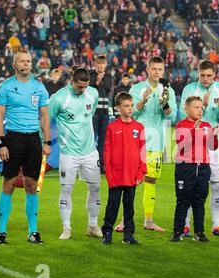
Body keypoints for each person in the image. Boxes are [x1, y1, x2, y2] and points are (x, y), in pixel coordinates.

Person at [0, 49, 51, 244]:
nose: (26, 64)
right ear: (14, 65)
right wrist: (2, 143)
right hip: (13, 139)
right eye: (22, 61)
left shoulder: (39, 87)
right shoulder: (6, 87)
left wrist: (47, 141)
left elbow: (44, 116)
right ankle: (1, 232)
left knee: (31, 185)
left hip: (33, 139)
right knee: (8, 183)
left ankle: (33, 232)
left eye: (28, 61)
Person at [115, 56, 177, 233]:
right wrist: (142, 100)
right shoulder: (136, 88)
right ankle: (125, 220)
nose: (157, 72)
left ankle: (149, 221)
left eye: (160, 69)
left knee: (150, 181)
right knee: (129, 182)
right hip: (136, 141)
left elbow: (172, 116)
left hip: (156, 142)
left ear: (163, 71)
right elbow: (129, 113)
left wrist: (164, 104)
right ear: (147, 70)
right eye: (154, 69)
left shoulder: (167, 91)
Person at [48, 66, 103, 240]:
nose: (83, 89)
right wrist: (45, 142)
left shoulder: (92, 94)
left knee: (95, 187)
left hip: (89, 151)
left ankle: (93, 226)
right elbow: (45, 120)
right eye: (80, 86)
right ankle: (66, 228)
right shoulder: (58, 98)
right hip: (69, 153)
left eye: (85, 86)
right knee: (67, 188)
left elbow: (89, 114)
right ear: (71, 81)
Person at [179, 60, 219, 238]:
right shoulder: (189, 89)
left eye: (209, 75)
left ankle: (216, 225)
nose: (206, 79)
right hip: (193, 144)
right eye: (202, 75)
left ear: (215, 75)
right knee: (189, 187)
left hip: (215, 143)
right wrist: (205, 105)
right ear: (198, 73)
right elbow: (181, 115)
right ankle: (185, 226)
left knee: (217, 185)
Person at [170, 96, 219, 242]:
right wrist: (194, 130)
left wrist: (214, 136)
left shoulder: (206, 124)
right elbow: (182, 145)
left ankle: (199, 233)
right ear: (187, 109)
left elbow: (212, 147)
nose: (200, 110)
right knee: (183, 201)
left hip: (203, 167)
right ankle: (177, 232)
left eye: (201, 107)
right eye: (196, 107)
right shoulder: (181, 125)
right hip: (186, 167)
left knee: (199, 201)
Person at [101, 92, 147, 245]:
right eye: (126, 106)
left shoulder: (139, 127)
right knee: (112, 207)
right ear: (118, 108)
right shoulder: (112, 127)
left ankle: (128, 235)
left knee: (130, 208)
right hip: (116, 175)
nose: (130, 108)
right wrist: (109, 175)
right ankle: (107, 232)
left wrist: (141, 172)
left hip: (132, 175)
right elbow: (107, 152)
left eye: (131, 105)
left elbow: (143, 151)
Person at [90, 54, 114, 174]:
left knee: (103, 141)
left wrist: (101, 81)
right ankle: (91, 165)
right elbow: (90, 89)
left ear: (105, 65)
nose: (101, 66)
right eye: (99, 63)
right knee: (91, 139)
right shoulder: (90, 75)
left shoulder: (109, 76)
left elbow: (108, 88)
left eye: (103, 64)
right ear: (95, 64)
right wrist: (97, 81)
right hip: (93, 113)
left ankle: (102, 165)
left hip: (105, 113)